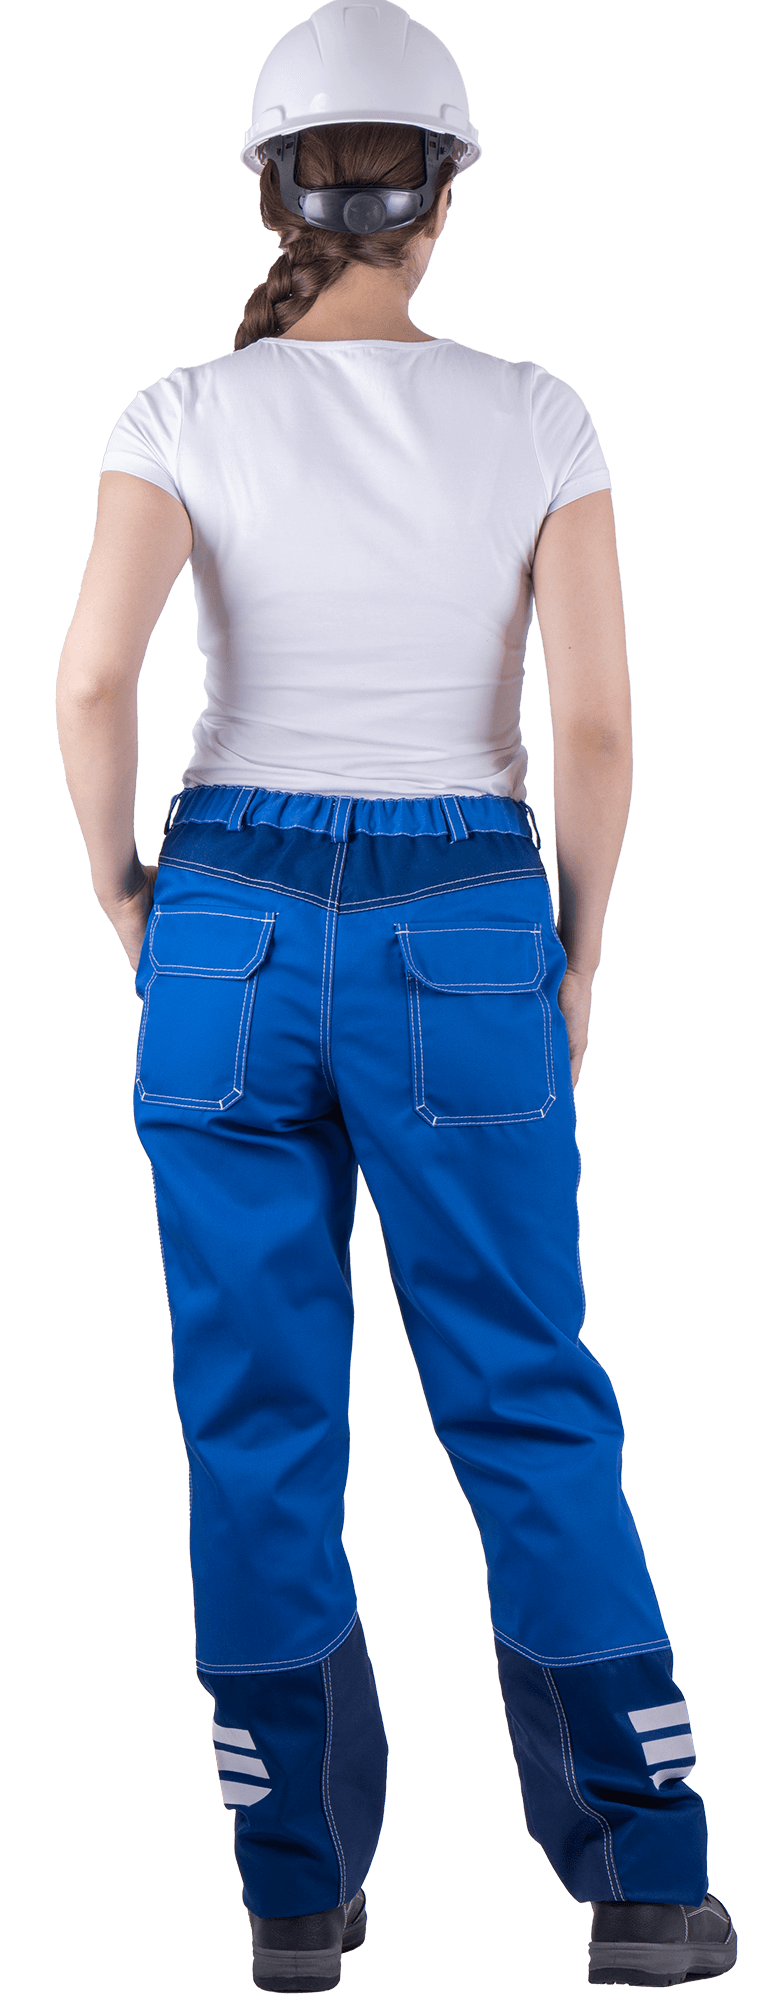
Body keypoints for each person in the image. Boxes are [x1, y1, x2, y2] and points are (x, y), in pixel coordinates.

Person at [55, 4, 738, 1990]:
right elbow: (595, 726)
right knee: (526, 1395)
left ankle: (290, 1893)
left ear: (269, 192)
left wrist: (128, 897)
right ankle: (644, 1882)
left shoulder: (176, 413)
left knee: (252, 1414)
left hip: (226, 926)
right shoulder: (537, 415)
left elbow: (93, 684)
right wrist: (577, 950)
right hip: (466, 928)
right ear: (444, 196)